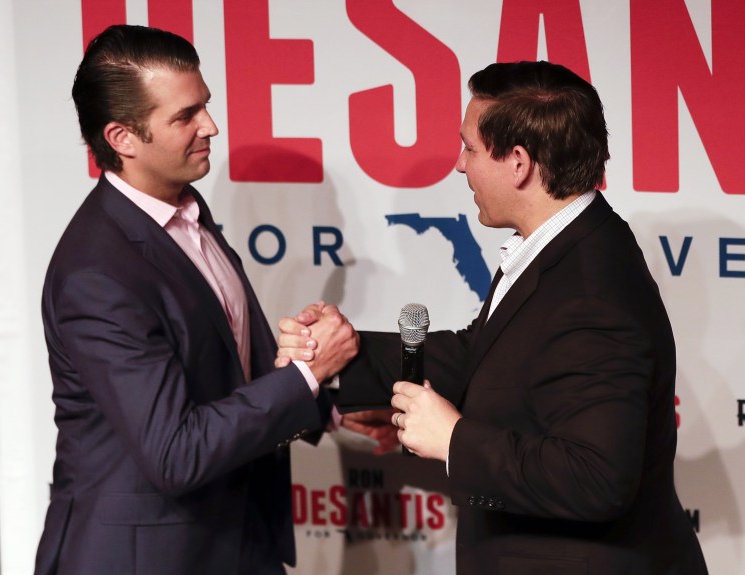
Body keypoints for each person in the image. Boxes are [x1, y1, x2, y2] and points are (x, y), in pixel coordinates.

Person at [277, 61, 708, 574]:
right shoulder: (566, 244)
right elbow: (481, 354)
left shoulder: (591, 289)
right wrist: (344, 352)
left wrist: (455, 439)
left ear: (519, 162)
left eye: (471, 148)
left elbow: (596, 478)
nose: (461, 165)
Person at [35, 24, 358, 575]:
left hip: (235, 542)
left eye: (205, 106)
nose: (211, 126)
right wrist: (306, 376)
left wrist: (328, 408)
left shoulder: (187, 213)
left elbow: (227, 379)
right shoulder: (97, 272)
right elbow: (174, 453)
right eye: (185, 116)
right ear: (122, 138)